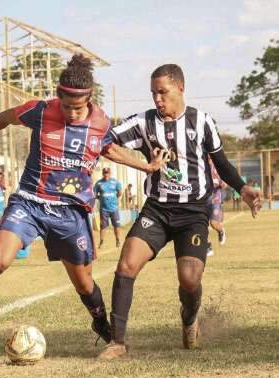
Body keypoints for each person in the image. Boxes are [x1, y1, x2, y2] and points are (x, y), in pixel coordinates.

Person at [0, 55, 168, 347]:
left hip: (71, 212)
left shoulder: (100, 122)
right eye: (67, 107)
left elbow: (107, 149)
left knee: (84, 284)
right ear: (58, 97)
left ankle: (99, 320)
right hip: (29, 201)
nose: (73, 114)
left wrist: (145, 166)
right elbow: (4, 117)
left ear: (88, 100)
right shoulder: (40, 111)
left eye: (79, 108)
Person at [98, 64, 262, 359]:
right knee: (126, 266)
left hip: (193, 213)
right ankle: (118, 342)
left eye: (163, 92)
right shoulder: (144, 122)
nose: (157, 99)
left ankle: (189, 320)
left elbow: (221, 163)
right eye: (153, 93)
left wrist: (243, 188)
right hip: (157, 210)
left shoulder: (202, 122)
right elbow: (104, 143)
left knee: (189, 279)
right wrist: (143, 165)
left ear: (180, 88)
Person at [93, 167, 122, 248]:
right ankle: (101, 242)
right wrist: (101, 198)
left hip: (114, 208)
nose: (106, 174)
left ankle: (118, 240)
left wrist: (114, 199)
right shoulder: (98, 183)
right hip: (103, 209)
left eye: (108, 173)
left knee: (116, 225)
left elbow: (120, 192)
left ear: (110, 173)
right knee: (103, 226)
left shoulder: (115, 182)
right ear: (103, 173)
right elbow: (95, 194)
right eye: (105, 173)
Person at [206, 159, 227, 257]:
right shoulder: (198, 166)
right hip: (201, 200)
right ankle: (208, 247)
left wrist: (223, 184)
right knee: (201, 226)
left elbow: (225, 183)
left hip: (215, 199)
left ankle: (221, 230)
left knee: (213, 224)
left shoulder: (218, 167)